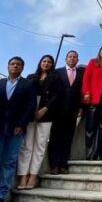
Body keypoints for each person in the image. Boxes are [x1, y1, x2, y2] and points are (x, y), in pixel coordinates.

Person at [0, 57, 37, 202]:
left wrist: (21, 124)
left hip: (16, 129)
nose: (15, 66)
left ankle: (0, 196)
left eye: (18, 64)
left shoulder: (27, 85)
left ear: (22, 68)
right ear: (8, 66)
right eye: (12, 64)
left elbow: (31, 106)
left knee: (9, 162)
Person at [17, 55, 62, 189]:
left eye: (49, 62)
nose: (46, 63)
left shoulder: (55, 77)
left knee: (40, 146)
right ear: (40, 62)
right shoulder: (31, 77)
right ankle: (23, 175)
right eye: (44, 61)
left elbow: (57, 96)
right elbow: (25, 94)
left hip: (46, 113)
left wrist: (44, 110)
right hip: (30, 113)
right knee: (27, 146)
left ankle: (33, 176)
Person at [49, 50, 84, 174]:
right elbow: (52, 91)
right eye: (70, 57)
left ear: (77, 60)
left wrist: (80, 107)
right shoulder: (57, 72)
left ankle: (63, 164)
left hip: (72, 110)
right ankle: (54, 165)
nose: (72, 59)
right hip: (58, 110)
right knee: (55, 138)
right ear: (66, 59)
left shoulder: (81, 74)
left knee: (67, 138)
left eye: (75, 57)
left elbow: (81, 91)